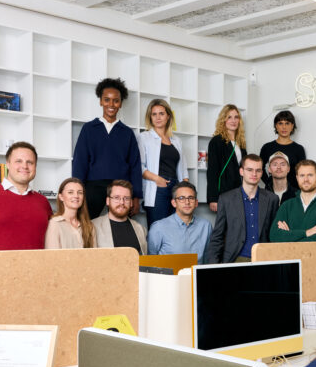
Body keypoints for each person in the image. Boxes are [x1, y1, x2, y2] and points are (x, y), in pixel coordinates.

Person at [72, 77, 142, 219]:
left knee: (120, 226)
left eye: (116, 100)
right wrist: (77, 191)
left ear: (121, 103)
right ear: (100, 101)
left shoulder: (127, 133)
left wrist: (136, 196)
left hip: (121, 188)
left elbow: (135, 166)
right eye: (107, 99)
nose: (111, 104)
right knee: (85, 224)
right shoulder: (89, 129)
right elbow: (80, 161)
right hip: (93, 186)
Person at [204, 154, 278, 263]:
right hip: (235, 259)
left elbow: (274, 234)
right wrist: (213, 266)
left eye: (258, 170)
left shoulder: (272, 199)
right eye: (249, 170)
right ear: (241, 171)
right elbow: (217, 237)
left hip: (263, 259)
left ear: (262, 173)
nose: (254, 174)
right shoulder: (226, 199)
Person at [138, 99, 188, 230]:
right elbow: (139, 166)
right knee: (158, 230)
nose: (158, 117)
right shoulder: (144, 137)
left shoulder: (177, 140)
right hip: (157, 189)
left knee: (176, 229)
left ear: (168, 116)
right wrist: (157, 179)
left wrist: (185, 190)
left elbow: (183, 170)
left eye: (161, 113)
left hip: (176, 190)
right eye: (154, 114)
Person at [270, 159, 316, 243]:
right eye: (302, 175)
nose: (306, 179)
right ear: (297, 178)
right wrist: (306, 233)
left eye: (310, 175)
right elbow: (274, 236)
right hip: (289, 256)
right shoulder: (287, 205)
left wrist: (289, 235)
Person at [147, 182, 211, 258]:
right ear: (174, 203)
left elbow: (208, 258)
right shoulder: (158, 228)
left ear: (196, 203)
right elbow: (151, 261)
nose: (187, 202)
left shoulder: (206, 226)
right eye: (181, 198)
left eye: (191, 198)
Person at [206, 104, 247, 212]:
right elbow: (212, 171)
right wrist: (213, 198)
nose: (233, 120)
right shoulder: (216, 141)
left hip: (239, 192)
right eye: (229, 117)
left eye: (236, 117)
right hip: (224, 193)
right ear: (223, 120)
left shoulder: (241, 143)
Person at [92, 180, 147, 254]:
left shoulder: (140, 229)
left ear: (131, 202)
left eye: (126, 198)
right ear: (108, 201)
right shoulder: (92, 226)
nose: (122, 202)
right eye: (116, 197)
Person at [45, 177, 96, 249]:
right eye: (70, 192)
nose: (76, 196)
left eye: (80, 193)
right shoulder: (54, 224)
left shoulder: (89, 226)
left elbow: (96, 256)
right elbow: (53, 258)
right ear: (61, 197)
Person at [260, 110, 306, 190]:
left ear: (292, 126)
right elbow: (259, 168)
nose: (284, 127)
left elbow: (302, 172)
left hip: (293, 192)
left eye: (287, 123)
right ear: (276, 126)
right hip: (272, 192)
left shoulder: (299, 149)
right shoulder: (267, 147)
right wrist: (268, 182)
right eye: (280, 123)